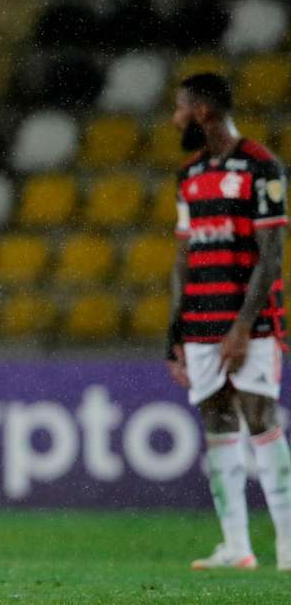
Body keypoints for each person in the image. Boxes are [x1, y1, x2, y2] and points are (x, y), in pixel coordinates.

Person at [165, 73, 291, 571]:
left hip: (251, 324)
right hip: (200, 322)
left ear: (201, 112)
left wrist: (242, 325)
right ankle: (237, 546)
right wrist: (174, 332)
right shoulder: (189, 174)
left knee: (261, 418)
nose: (174, 119)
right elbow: (183, 257)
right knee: (216, 423)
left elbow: (273, 253)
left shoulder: (262, 167)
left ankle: (287, 547)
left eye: (179, 109)